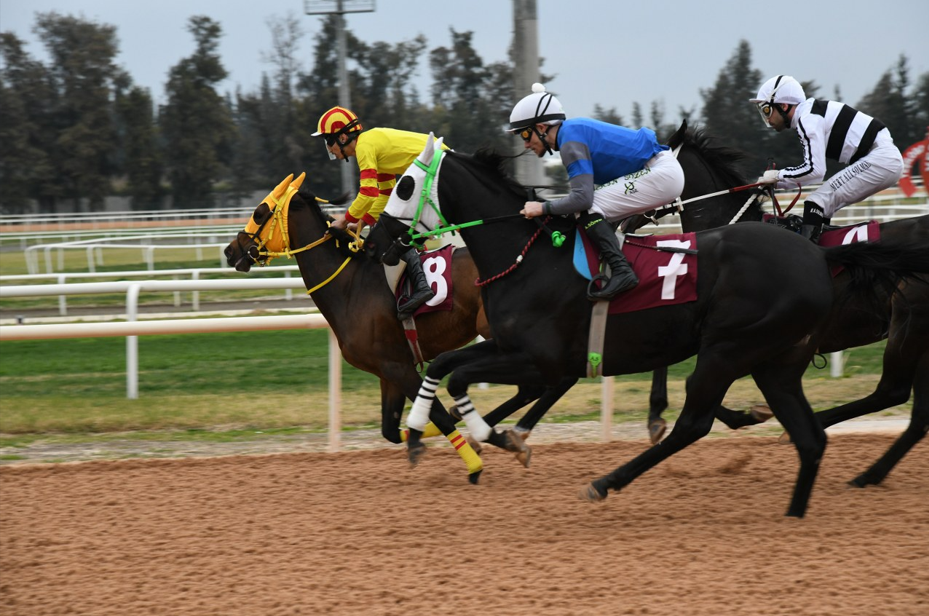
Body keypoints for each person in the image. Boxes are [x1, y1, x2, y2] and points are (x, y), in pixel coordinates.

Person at [510, 83, 685, 301]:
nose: (526, 144)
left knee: (587, 208)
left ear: (542, 127)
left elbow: (582, 199)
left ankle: (622, 270)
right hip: (659, 170)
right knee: (590, 210)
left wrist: (542, 207)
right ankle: (611, 264)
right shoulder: (571, 134)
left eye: (526, 134)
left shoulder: (570, 141)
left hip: (661, 173)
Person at [312, 106, 448, 320]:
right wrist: (362, 223)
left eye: (329, 141)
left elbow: (367, 193)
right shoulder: (371, 145)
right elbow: (384, 194)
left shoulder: (364, 147)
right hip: (437, 168)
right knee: (389, 223)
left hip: (438, 169)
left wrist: (345, 220)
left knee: (393, 227)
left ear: (343, 137)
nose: (329, 148)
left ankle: (422, 287)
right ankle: (419, 280)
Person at [750, 75, 904, 243]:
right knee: (823, 205)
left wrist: (778, 177)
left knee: (816, 201)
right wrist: (778, 182)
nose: (767, 119)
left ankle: (809, 255)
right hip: (882, 157)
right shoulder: (809, 114)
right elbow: (814, 172)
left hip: (880, 158)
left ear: (784, 105)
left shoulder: (807, 120)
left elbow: (815, 171)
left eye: (767, 110)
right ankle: (825, 251)